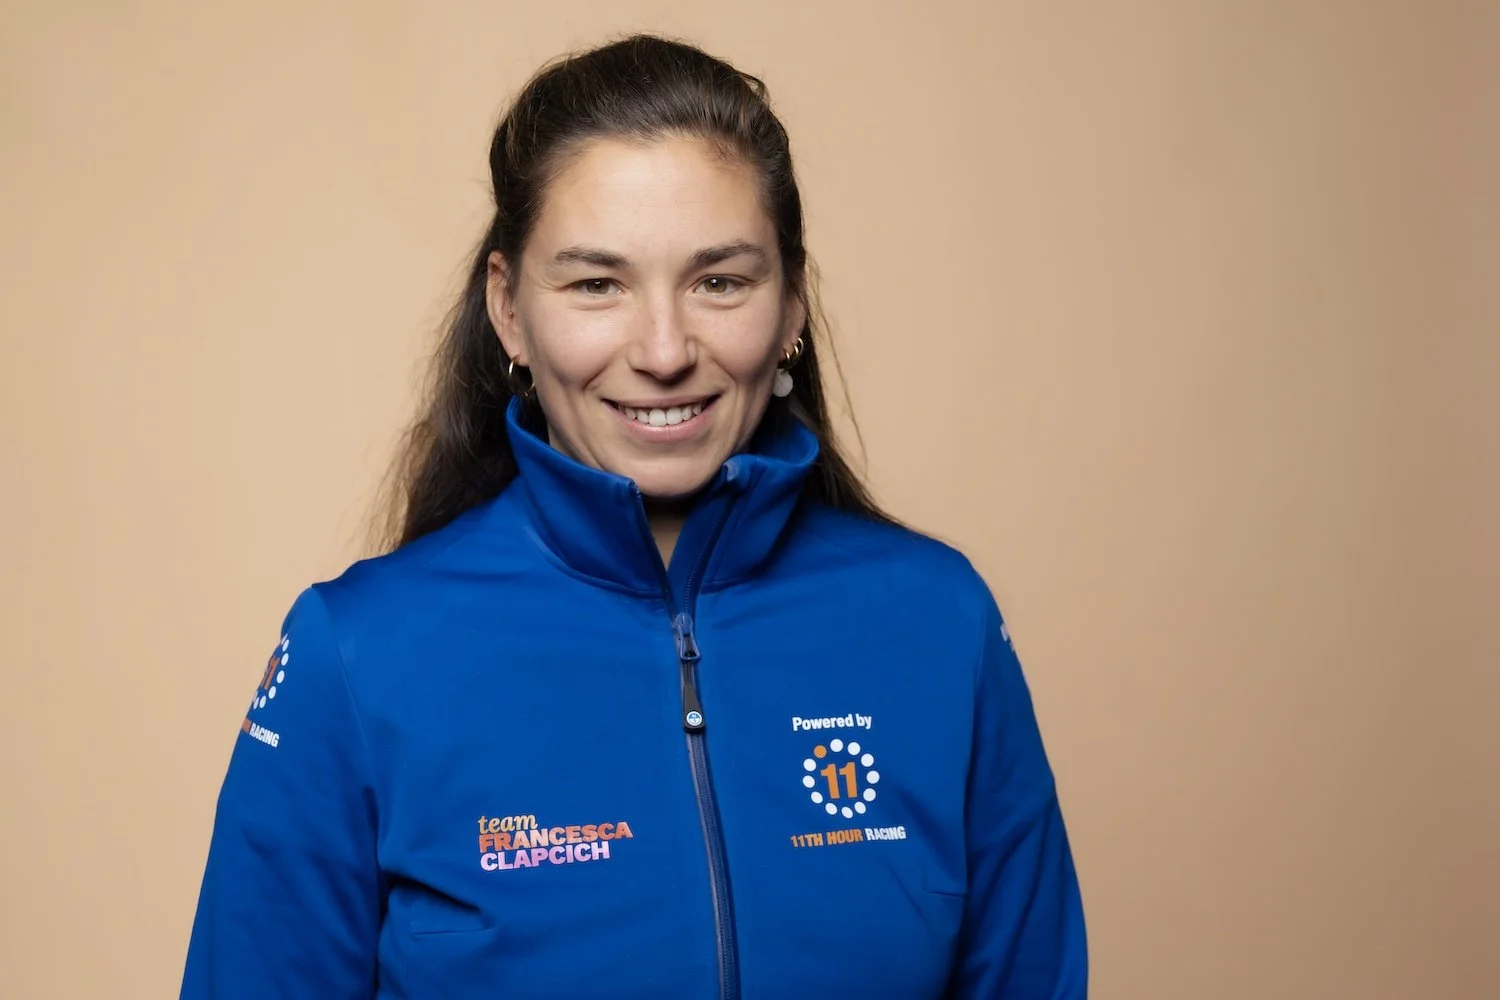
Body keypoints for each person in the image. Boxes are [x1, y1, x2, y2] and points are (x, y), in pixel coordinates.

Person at [181, 33, 1087, 999]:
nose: (663, 349)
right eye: (596, 284)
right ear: (510, 312)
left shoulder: (940, 624)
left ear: (790, 310)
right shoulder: (355, 655)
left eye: (720, 281)